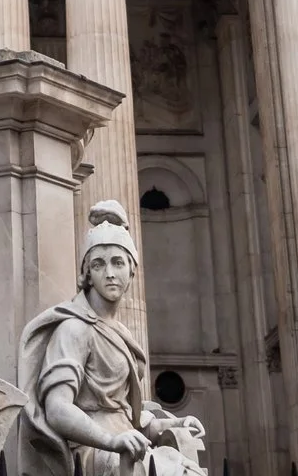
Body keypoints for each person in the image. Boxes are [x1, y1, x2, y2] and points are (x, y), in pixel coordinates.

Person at [19, 201, 196, 476]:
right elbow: (57, 408)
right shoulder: (74, 329)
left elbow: (125, 416)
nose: (110, 273)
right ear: (87, 273)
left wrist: (168, 425)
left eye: (118, 263)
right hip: (94, 450)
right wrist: (111, 440)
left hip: (129, 443)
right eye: (99, 265)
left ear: (131, 270)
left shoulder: (121, 333)